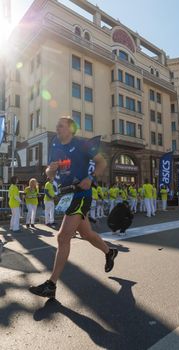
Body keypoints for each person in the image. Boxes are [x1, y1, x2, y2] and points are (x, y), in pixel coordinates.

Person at [29, 116, 118, 298]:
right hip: (67, 195)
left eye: (60, 126)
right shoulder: (55, 144)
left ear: (70, 128)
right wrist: (51, 170)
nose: (57, 128)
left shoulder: (82, 145)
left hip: (81, 194)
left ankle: (51, 285)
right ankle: (110, 252)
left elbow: (102, 162)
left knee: (63, 237)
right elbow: (49, 172)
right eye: (57, 125)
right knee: (86, 234)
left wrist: (90, 178)